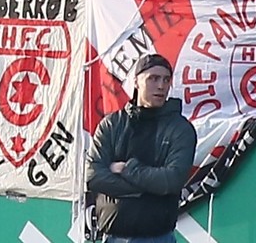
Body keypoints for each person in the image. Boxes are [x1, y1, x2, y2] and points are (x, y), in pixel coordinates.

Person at [84, 52, 195, 243]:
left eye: (166, 80)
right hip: (112, 237)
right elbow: (93, 176)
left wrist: (127, 169)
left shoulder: (180, 129)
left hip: (156, 238)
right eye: (153, 78)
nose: (161, 86)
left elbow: (171, 180)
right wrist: (145, 189)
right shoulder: (112, 124)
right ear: (136, 82)